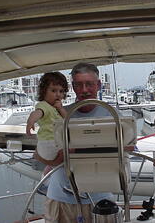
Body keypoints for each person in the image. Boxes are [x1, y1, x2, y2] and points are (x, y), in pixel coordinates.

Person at [34, 63, 115, 223]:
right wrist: (54, 159)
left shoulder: (113, 115)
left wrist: (77, 151)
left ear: (98, 85)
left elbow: (128, 149)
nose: (84, 90)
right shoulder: (56, 114)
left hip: (100, 199)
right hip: (61, 199)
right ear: (73, 87)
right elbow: (39, 154)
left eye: (89, 84)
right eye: (79, 84)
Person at [26, 72, 68, 164]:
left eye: (61, 91)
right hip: (48, 143)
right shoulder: (44, 105)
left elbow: (67, 120)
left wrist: (61, 108)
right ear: (44, 91)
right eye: (53, 91)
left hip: (53, 143)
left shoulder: (56, 109)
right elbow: (37, 113)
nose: (58, 94)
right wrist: (31, 122)